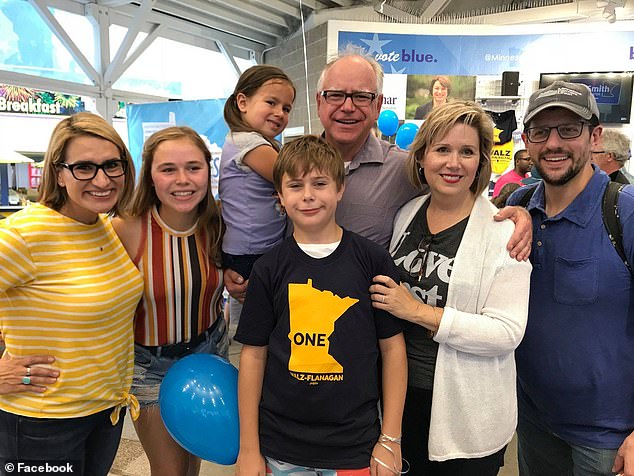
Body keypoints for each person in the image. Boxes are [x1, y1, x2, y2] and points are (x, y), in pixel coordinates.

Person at [225, 51, 532, 301]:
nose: (348, 107)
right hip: (287, 319)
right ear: (319, 102)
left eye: (361, 96)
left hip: (363, 335)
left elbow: (460, 195)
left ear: (378, 105)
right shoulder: (291, 166)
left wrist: (513, 213)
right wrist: (234, 266)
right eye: (336, 95)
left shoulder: (405, 170)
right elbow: (238, 204)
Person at [370, 101, 531, 475]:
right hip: (399, 399)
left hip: (465, 411)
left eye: (467, 152)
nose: (453, 163)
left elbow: (507, 332)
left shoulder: (503, 232)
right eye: (442, 149)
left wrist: (417, 311)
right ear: (423, 156)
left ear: (481, 161)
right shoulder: (405, 214)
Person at [235, 135, 407, 476]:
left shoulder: (372, 260)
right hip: (281, 446)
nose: (309, 195)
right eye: (295, 186)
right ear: (281, 197)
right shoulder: (269, 268)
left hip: (356, 445)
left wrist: (391, 438)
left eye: (320, 183)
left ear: (340, 188)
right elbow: (254, 356)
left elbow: (392, 350)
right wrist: (249, 448)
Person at [0, 112, 143, 475]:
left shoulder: (103, 227)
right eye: (84, 167)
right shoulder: (24, 234)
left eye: (113, 165)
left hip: (105, 413)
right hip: (43, 424)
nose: (102, 179)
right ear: (59, 173)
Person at [506, 81, 634, 476]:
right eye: (541, 132)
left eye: (569, 130)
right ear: (527, 140)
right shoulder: (518, 205)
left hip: (608, 436)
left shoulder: (624, 213)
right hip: (534, 421)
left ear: (595, 137)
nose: (553, 144)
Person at [112, 126, 228, 476]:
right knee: (169, 471)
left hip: (210, 353)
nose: (183, 180)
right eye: (168, 169)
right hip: (149, 366)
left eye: (193, 167)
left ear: (208, 170)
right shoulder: (125, 229)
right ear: (149, 175)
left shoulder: (220, 222)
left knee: (194, 463)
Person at [219, 65, 295, 313]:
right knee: (261, 318)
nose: (279, 113)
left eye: (286, 108)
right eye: (271, 102)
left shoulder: (260, 142)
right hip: (251, 252)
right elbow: (291, 176)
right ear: (242, 102)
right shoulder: (247, 142)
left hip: (258, 248)